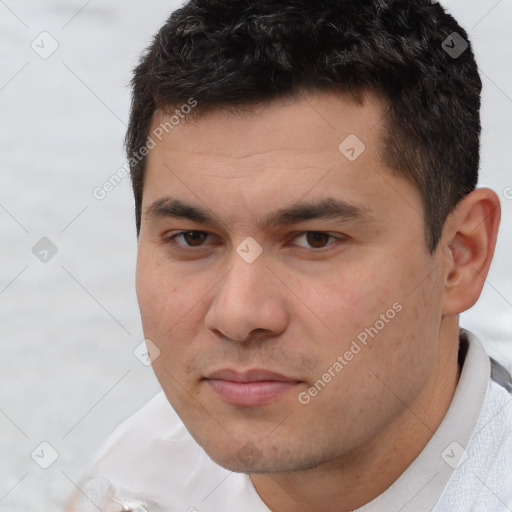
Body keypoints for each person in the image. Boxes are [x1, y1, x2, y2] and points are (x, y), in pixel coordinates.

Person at [70, 0, 512, 510]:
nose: (238, 316)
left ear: (461, 255)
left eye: (314, 240)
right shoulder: (127, 484)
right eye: (192, 238)